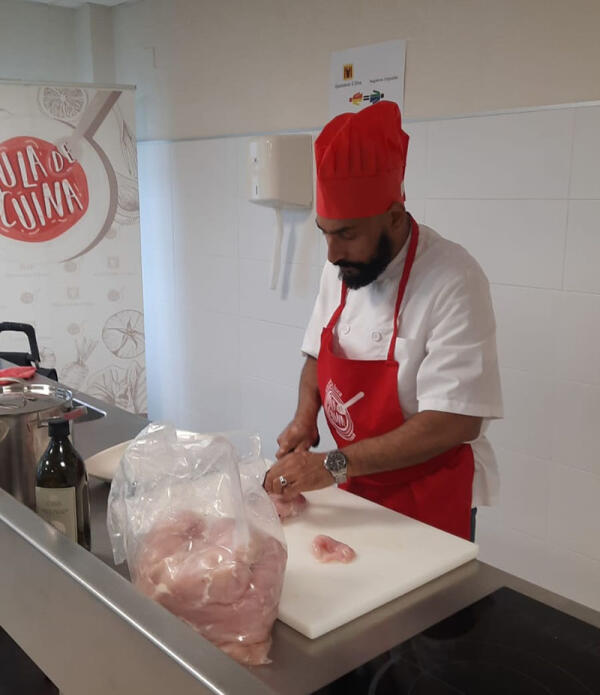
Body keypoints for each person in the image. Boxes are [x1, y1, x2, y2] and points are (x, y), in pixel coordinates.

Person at [263, 101, 503, 540]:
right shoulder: (343, 266)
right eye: (325, 233)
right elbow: (320, 355)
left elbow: (457, 420)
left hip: (429, 493)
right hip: (356, 484)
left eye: (348, 234)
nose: (332, 254)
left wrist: (332, 465)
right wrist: (305, 417)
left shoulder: (454, 279)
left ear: (394, 216)